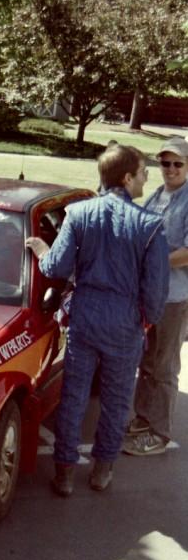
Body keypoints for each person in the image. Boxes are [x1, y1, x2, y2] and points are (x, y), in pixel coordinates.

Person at [26, 144, 169, 496]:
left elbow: (56, 267)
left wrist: (43, 251)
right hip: (124, 321)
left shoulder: (78, 214)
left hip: (85, 316)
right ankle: (102, 471)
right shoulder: (150, 226)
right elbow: (156, 291)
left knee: (73, 397)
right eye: (143, 173)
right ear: (127, 177)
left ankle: (64, 474)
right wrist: (145, 322)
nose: (147, 179)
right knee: (116, 400)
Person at [123, 137, 188, 456]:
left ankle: (159, 433)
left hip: (176, 297)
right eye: (165, 163)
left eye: (178, 163)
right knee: (147, 362)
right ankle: (143, 418)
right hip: (151, 295)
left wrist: (155, 261)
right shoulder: (157, 195)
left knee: (164, 366)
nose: (171, 169)